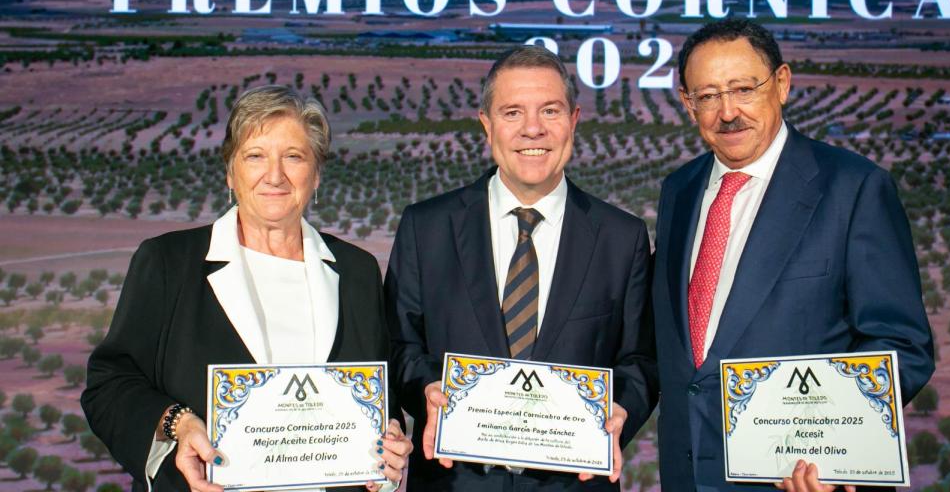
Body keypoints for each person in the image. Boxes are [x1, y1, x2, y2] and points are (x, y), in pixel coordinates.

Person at [82, 85, 414, 492]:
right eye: (255, 156)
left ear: (316, 174)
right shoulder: (168, 262)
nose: (274, 175)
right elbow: (110, 384)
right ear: (230, 172)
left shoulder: (357, 270)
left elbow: (379, 390)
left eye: (293, 157)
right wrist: (177, 424)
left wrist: (390, 435)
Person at [651, 18, 935, 492]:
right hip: (686, 477)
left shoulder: (853, 188)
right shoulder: (679, 190)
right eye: (708, 95)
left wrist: (834, 448)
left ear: (781, 84)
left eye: (743, 88)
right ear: (687, 103)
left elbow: (902, 345)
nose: (728, 112)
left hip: (797, 483)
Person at [385, 45, 658, 491]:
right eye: (512, 113)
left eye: (549, 110)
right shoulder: (426, 227)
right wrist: (427, 391)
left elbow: (639, 360)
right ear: (487, 126)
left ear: (573, 120)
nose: (533, 129)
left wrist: (622, 409)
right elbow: (400, 345)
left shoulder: (620, 238)